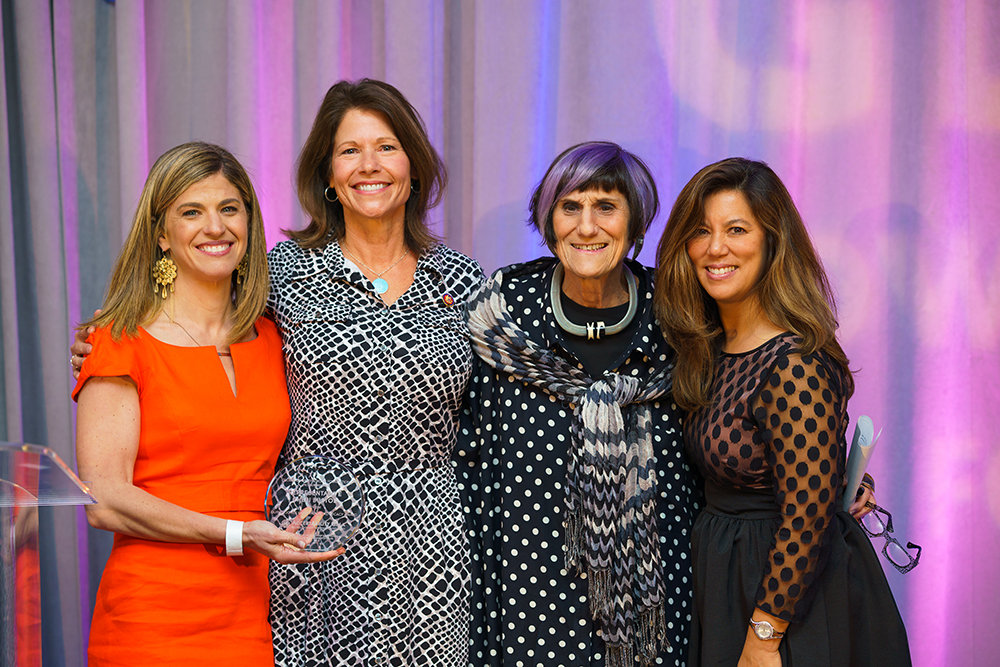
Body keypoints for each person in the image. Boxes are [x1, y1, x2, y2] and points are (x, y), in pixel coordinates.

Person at [72, 142, 342, 666]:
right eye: (191, 212)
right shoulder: (119, 337)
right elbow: (103, 499)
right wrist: (236, 534)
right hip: (152, 615)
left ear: (249, 221)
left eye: (229, 208)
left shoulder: (274, 337)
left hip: (255, 612)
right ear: (161, 235)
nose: (214, 227)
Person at [654, 157, 912, 666]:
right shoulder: (706, 347)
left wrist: (765, 634)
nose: (715, 248)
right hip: (727, 581)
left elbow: (807, 516)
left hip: (784, 597)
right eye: (701, 231)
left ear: (773, 240)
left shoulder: (795, 362)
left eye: (736, 229)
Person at [265, 79, 484, 666]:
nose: (370, 165)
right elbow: (197, 329)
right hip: (316, 528)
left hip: (432, 534)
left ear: (413, 167)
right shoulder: (280, 273)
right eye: (349, 150)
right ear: (329, 176)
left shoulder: (462, 281)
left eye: (387, 147)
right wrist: (106, 336)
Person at [459, 141, 702, 667]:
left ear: (636, 222)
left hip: (654, 612)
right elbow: (472, 464)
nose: (586, 227)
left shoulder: (678, 317)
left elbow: (724, 430)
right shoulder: (506, 314)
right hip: (529, 606)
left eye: (606, 207)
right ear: (548, 221)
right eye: (570, 207)